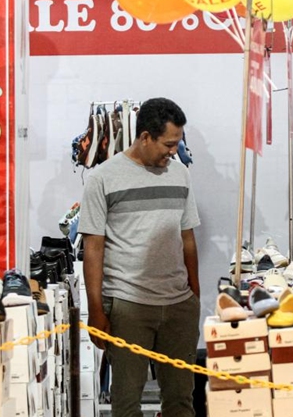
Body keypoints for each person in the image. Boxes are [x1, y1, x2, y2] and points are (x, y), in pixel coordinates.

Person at [79, 97, 201, 417]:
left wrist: (195, 294)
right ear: (145, 137)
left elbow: (187, 237)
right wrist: (96, 311)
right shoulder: (103, 178)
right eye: (169, 144)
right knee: (126, 403)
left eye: (178, 143)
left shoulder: (181, 176)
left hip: (178, 305)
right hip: (127, 305)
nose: (174, 151)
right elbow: (93, 247)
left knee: (180, 401)